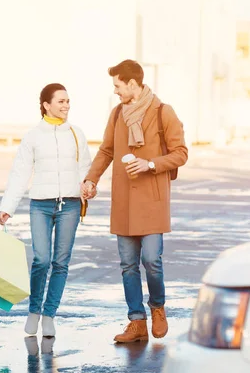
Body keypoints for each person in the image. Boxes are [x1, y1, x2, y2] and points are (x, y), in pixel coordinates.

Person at [81, 60, 188, 343]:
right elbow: (106, 150)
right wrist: (91, 179)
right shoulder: (117, 114)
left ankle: (157, 308)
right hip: (124, 202)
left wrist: (149, 164)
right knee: (128, 265)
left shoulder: (163, 112)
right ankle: (136, 322)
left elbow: (180, 154)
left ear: (132, 83)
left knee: (152, 260)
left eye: (117, 85)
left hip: (152, 199)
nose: (115, 91)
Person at [0, 83, 91, 337]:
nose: (66, 106)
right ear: (46, 105)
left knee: (61, 263)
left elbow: (85, 168)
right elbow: (20, 174)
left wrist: (88, 186)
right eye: (61, 101)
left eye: (68, 101)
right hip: (40, 204)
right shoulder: (33, 136)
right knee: (42, 260)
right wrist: (7, 207)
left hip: (70, 205)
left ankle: (49, 315)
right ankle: (34, 311)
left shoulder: (76, 133)